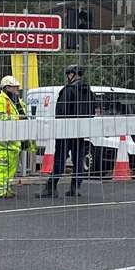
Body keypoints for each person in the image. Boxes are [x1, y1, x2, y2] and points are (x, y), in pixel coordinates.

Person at [41, 65, 94, 197]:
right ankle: (75, 187)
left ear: (72, 74)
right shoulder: (88, 92)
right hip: (80, 131)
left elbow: (61, 111)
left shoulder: (68, 90)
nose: (67, 77)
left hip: (65, 130)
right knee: (78, 159)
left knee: (60, 159)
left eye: (68, 74)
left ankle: (51, 187)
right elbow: (92, 112)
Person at [0, 75, 36, 199]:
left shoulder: (18, 102)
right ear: (7, 88)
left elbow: (24, 115)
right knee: (2, 167)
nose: (17, 90)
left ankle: (7, 188)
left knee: (12, 168)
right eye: (15, 87)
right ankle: (0, 190)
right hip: (4, 142)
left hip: (15, 142)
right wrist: (17, 119)